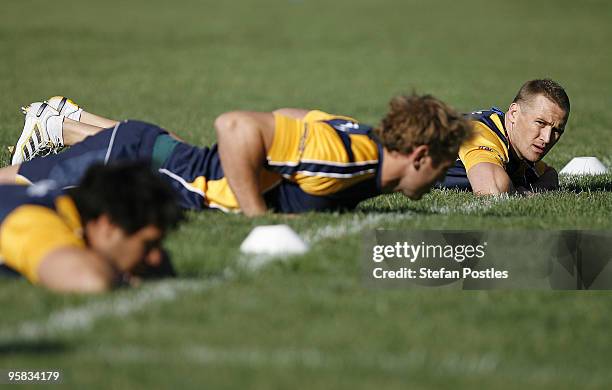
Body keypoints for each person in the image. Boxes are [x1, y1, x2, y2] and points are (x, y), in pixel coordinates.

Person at [1, 94, 473, 216]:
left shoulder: (362, 147)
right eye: (442, 164)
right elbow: (235, 125)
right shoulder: (347, 157)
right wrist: (256, 216)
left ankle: (57, 122)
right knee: (14, 192)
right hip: (137, 165)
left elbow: (294, 114)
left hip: (149, 153)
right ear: (418, 154)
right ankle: (55, 122)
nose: (441, 177)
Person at [0, 162, 183, 293]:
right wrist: (122, 277)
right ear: (108, 226)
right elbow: (87, 279)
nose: (156, 257)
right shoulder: (33, 219)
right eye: (148, 245)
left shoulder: (63, 207)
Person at [439, 79, 570, 195]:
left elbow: (549, 175)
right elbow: (492, 189)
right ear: (514, 113)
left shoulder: (518, 146)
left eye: (557, 130)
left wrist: (531, 191)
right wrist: (524, 193)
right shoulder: (480, 132)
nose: (547, 138)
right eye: (540, 123)